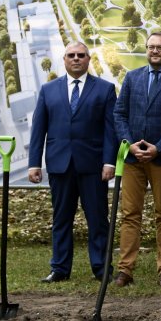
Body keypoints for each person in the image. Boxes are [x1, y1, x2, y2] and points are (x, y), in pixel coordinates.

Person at [28, 42, 117, 282]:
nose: (76, 59)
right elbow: (39, 129)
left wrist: (110, 162)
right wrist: (33, 163)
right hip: (60, 165)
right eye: (71, 55)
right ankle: (59, 269)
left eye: (81, 55)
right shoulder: (48, 90)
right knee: (61, 219)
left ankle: (101, 269)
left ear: (88, 59)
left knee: (98, 219)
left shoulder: (105, 89)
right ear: (64, 59)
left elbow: (111, 131)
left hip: (93, 166)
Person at [113, 30, 161, 288]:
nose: (155, 51)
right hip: (133, 159)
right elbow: (120, 113)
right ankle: (125, 270)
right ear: (146, 50)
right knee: (130, 214)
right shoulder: (132, 77)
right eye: (151, 47)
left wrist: (159, 147)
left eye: (160, 47)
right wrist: (130, 145)